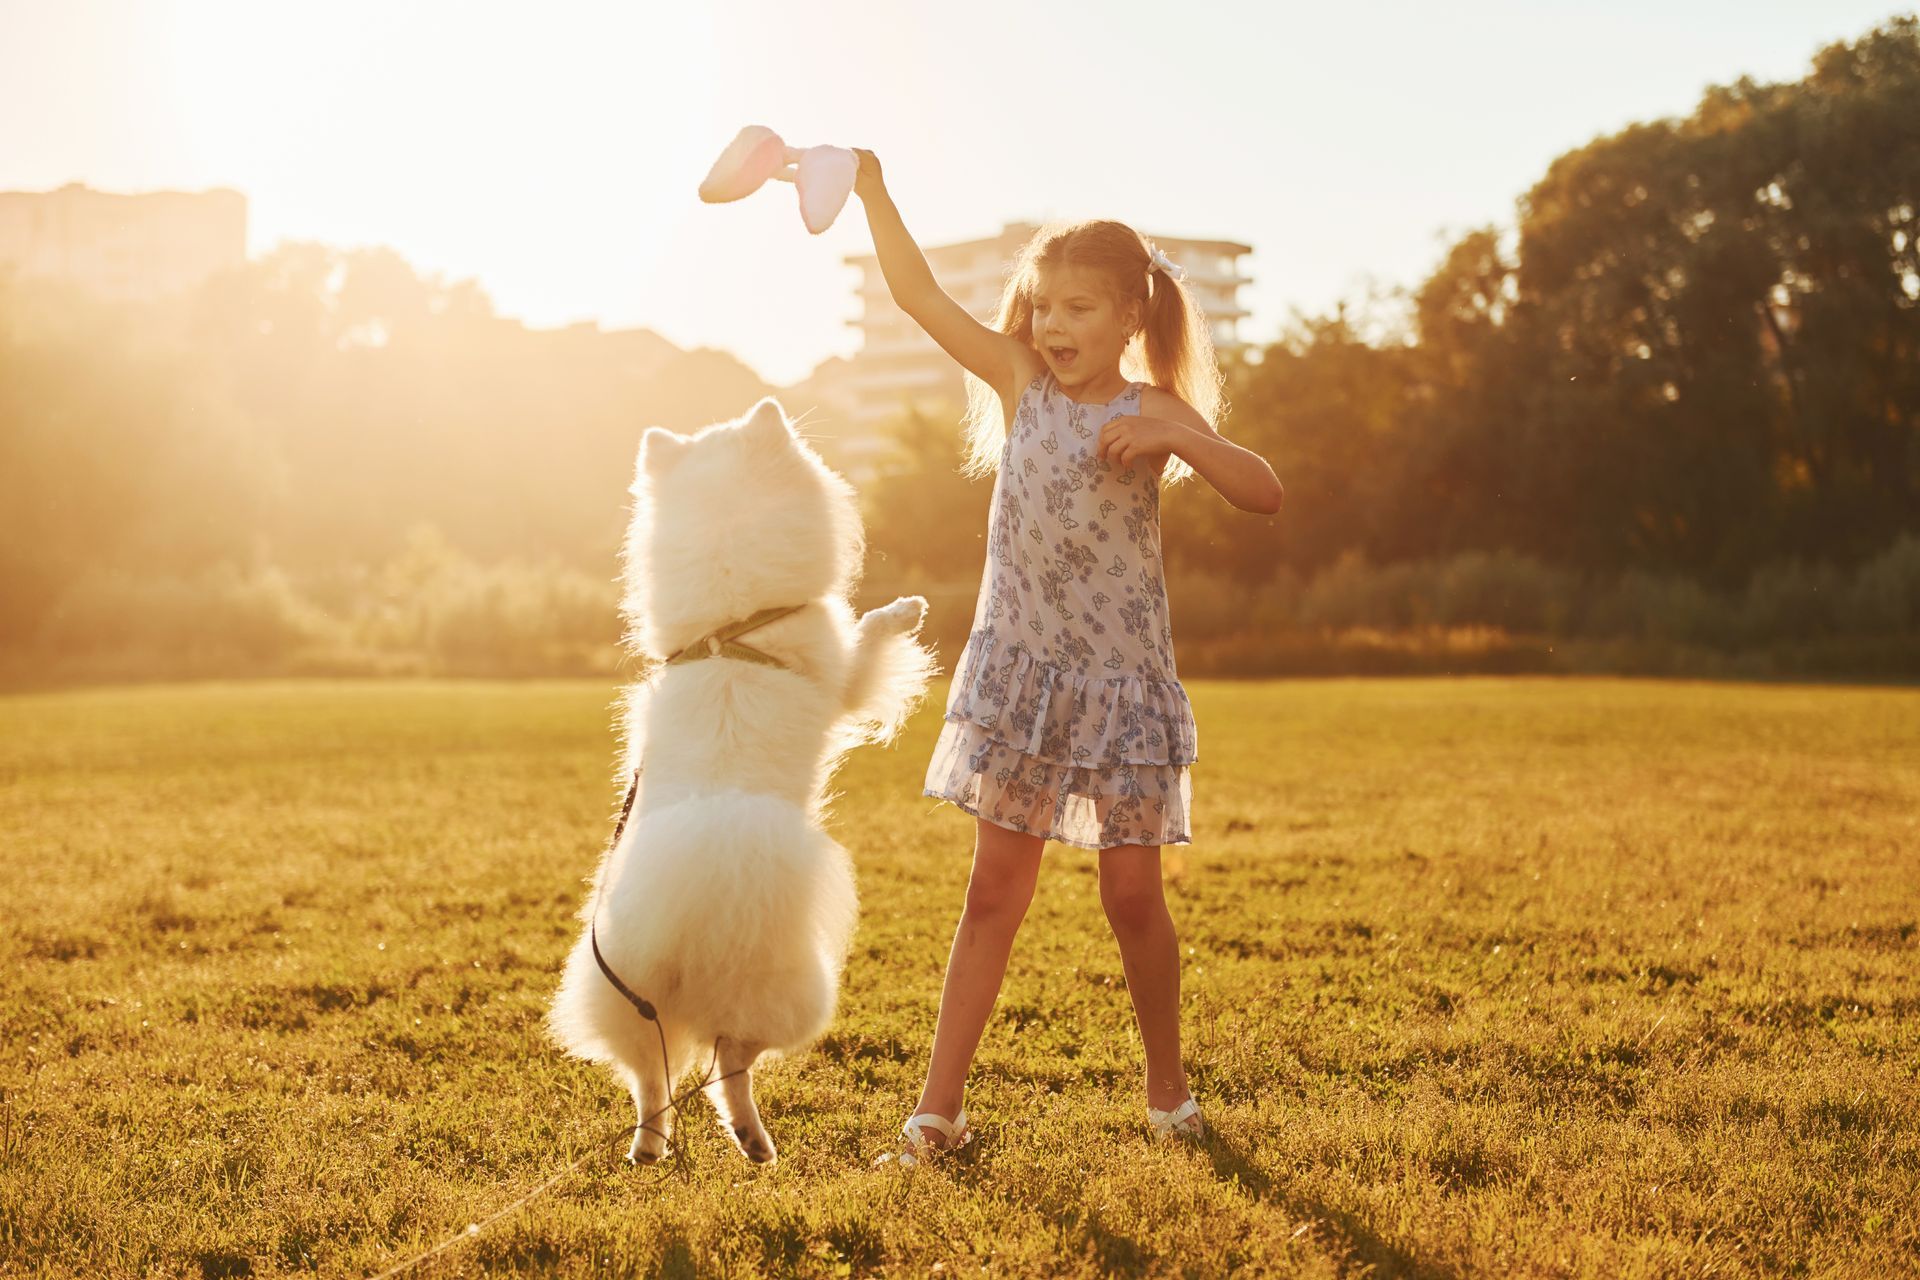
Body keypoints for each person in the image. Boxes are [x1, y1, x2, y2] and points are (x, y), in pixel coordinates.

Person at [850, 149, 1284, 1167]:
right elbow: (915, 295)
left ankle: (1168, 1094)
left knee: (1132, 897)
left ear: (1131, 316)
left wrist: (1182, 444)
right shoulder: (1020, 382)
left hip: (1121, 689)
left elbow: (1264, 491)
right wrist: (873, 188)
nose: (1054, 325)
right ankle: (935, 1114)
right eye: (1044, 304)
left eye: (1080, 307)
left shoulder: (1156, 409)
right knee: (994, 890)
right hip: (1025, 678)